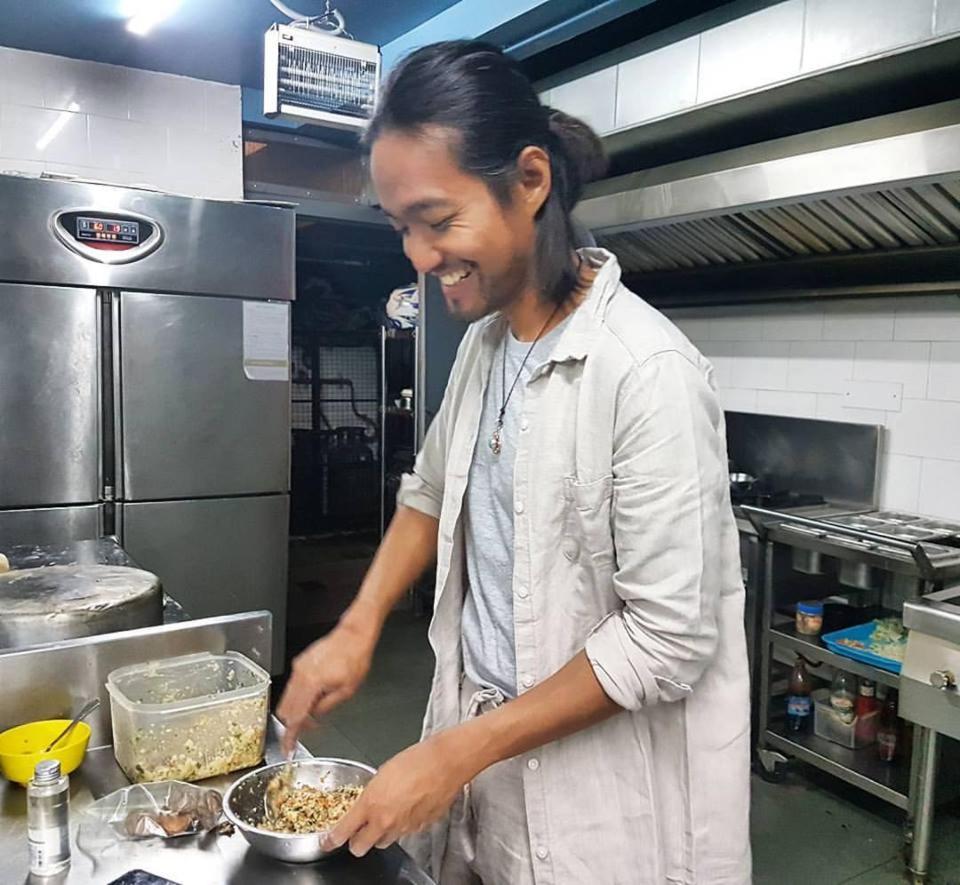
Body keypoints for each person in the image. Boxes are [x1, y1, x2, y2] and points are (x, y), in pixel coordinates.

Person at [277, 40, 751, 885]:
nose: (419, 256)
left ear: (530, 181)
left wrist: (460, 750)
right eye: (401, 227)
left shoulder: (646, 372)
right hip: (483, 756)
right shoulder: (485, 347)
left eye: (438, 220)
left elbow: (667, 640)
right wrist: (357, 625)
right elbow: (430, 491)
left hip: (601, 800)